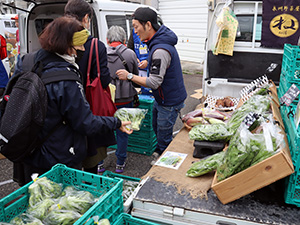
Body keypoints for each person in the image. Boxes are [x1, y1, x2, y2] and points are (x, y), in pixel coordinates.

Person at [14, 16, 132, 185]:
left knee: (33, 201)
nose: (82, 49)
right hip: (57, 159)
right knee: (61, 206)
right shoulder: (66, 78)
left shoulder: (26, 61)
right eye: (79, 45)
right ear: (67, 45)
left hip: (26, 148)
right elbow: (85, 122)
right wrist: (116, 122)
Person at [116, 7, 187, 164]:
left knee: (164, 134)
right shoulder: (157, 42)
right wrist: (149, 62)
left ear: (148, 25)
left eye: (136, 27)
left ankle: (167, 164)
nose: (135, 32)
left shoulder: (160, 49)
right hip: (162, 98)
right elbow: (161, 63)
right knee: (156, 125)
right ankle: (160, 151)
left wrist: (129, 76)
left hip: (169, 100)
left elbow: (155, 82)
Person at [64, 0, 115, 174]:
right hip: (88, 109)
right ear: (86, 18)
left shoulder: (57, 41)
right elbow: (104, 79)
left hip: (63, 112)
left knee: (68, 163)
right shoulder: (95, 45)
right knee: (90, 162)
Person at [99, 25, 139, 173]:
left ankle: (99, 163)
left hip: (106, 98)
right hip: (125, 99)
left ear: (107, 40)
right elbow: (134, 77)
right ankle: (120, 163)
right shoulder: (130, 54)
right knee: (123, 131)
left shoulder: (100, 53)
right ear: (123, 39)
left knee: (102, 129)